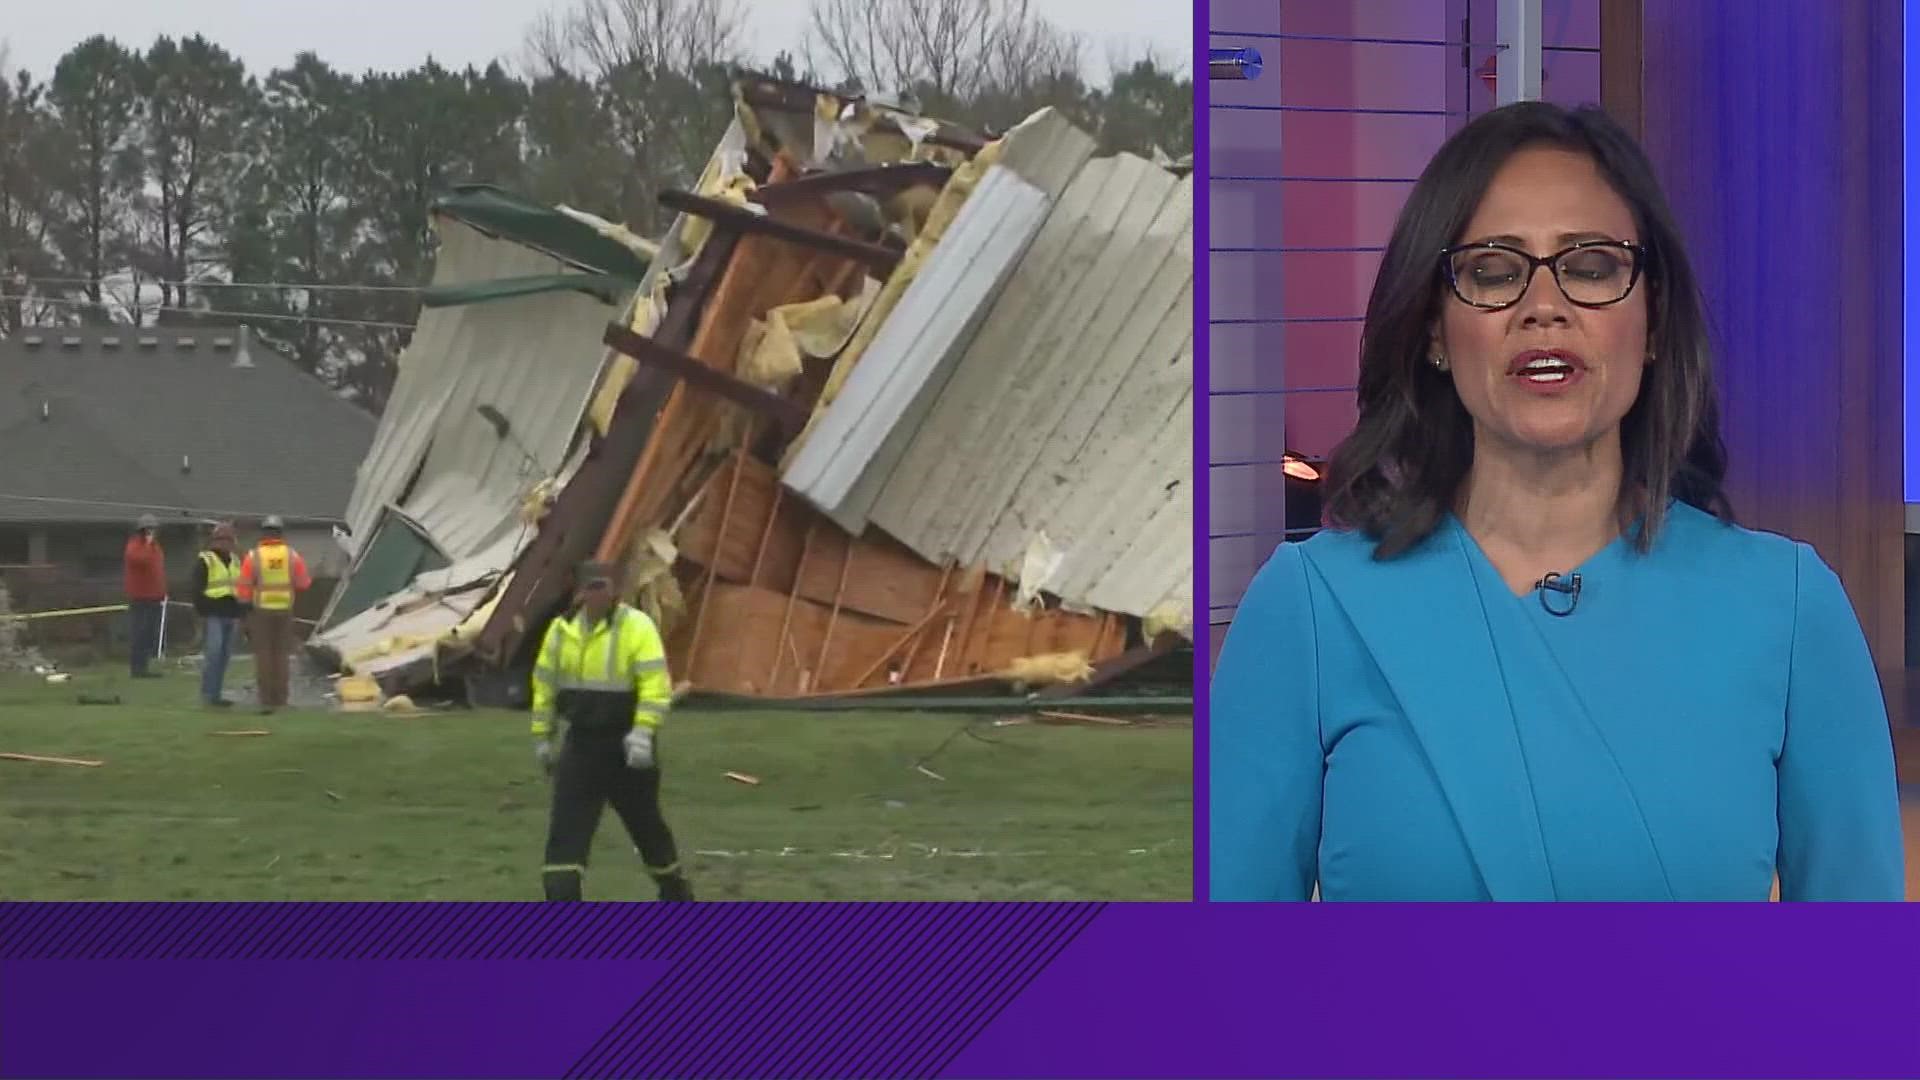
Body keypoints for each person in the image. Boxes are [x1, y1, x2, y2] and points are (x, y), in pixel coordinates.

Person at [1209, 101, 1905, 902]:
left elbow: (1860, 992)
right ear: (1435, 331)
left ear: (1651, 324)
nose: (1545, 305)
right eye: (1495, 271)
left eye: (1593, 266)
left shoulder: (1788, 610)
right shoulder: (1309, 611)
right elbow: (1225, 985)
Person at [530, 560, 692, 902]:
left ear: (614, 591)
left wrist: (643, 733)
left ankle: (675, 892)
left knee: (647, 829)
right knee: (566, 834)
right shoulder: (561, 632)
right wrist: (543, 738)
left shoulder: (636, 627)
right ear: (581, 592)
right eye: (593, 588)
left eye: (605, 587)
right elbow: (544, 687)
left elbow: (654, 684)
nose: (599, 595)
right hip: (582, 746)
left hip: (627, 747)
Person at [235, 515, 311, 715]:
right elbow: (304, 583)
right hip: (285, 610)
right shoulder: (292, 556)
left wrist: (244, 613)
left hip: (261, 612)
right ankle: (281, 700)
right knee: (281, 656)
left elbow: (243, 588)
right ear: (281, 533)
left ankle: (266, 700)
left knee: (264, 656)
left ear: (264, 533)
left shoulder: (254, 556)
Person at [191, 522, 245, 708]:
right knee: (213, 654)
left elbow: (241, 588)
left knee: (224, 656)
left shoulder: (236, 561)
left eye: (228, 540)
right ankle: (208, 695)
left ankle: (216, 694)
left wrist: (241, 611)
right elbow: (197, 589)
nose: (225, 544)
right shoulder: (206, 560)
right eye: (222, 540)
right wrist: (203, 611)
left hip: (231, 613)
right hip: (213, 614)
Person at [123, 513, 166, 679]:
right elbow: (139, 560)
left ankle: (144, 667)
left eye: (153, 529)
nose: (152, 533)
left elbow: (157, 569)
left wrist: (162, 590)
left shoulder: (155, 547)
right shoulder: (135, 546)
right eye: (148, 529)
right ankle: (137, 668)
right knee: (139, 633)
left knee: (149, 633)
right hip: (140, 597)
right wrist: (147, 545)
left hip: (155, 596)